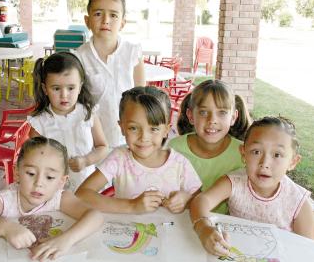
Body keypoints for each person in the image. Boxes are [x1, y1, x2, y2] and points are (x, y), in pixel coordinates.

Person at [0, 136, 104, 261]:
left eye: (50, 177)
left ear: (61, 181)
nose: (39, 183)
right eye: (31, 173)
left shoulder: (60, 197)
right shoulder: (5, 200)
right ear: (16, 172)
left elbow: (95, 216)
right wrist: (5, 227)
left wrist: (65, 240)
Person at [190, 116, 314, 257]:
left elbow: (307, 250)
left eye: (277, 155)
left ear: (293, 162)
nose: (265, 163)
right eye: (256, 152)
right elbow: (201, 200)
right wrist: (203, 228)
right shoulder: (234, 182)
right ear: (243, 153)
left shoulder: (299, 202)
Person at [75, 86, 201, 214]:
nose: (144, 137)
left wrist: (187, 199)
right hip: (126, 232)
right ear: (122, 127)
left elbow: (200, 200)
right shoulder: (119, 159)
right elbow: (81, 195)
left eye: (154, 129)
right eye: (133, 128)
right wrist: (131, 205)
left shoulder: (180, 163)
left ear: (166, 130)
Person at [28, 52, 109, 192]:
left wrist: (86, 161)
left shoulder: (88, 114)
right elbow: (35, 159)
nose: (64, 95)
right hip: (54, 191)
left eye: (71, 88)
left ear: (80, 87)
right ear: (44, 89)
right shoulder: (39, 124)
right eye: (56, 88)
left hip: (88, 187)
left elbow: (103, 147)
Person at [75, 0, 145, 148]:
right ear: (87, 21)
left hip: (127, 138)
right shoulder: (79, 57)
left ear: (122, 23)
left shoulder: (132, 53)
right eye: (98, 14)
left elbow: (142, 98)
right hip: (92, 141)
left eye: (113, 15)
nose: (106, 20)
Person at [168, 79, 247, 214]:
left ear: (233, 117)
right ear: (191, 116)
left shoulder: (244, 154)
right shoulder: (173, 149)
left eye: (222, 112)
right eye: (204, 112)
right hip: (180, 220)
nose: (212, 120)